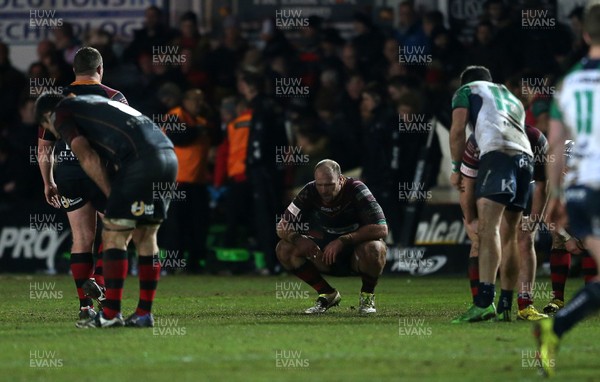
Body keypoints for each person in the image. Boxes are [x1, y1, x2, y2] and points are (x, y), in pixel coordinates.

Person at [35, 92, 177, 328]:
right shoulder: (100, 102)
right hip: (167, 156)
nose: (54, 132)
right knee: (145, 235)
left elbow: (87, 156)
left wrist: (112, 195)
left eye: (46, 125)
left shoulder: (61, 112)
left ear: (46, 117)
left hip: (140, 162)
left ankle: (110, 314)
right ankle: (143, 314)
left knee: (113, 234)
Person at [37, 46, 128, 320]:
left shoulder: (58, 99)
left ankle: (85, 307)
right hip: (102, 171)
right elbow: (126, 138)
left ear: (74, 71)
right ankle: (100, 281)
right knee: (114, 232)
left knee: (81, 238)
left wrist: (48, 181)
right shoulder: (115, 97)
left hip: (68, 173)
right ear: (100, 70)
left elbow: (43, 148)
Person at [534, 5, 600, 370]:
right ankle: (556, 326)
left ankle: (555, 328)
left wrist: (557, 196)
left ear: (586, 35)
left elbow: (555, 146)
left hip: (581, 191)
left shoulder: (570, 81)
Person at [449, 65, 533, 322]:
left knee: (489, 229)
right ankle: (506, 304)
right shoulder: (512, 97)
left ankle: (484, 302)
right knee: (510, 235)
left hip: (497, 155)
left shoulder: (465, 90)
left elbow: (458, 129)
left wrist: (455, 168)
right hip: (525, 158)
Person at [452, 125, 548, 323]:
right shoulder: (477, 140)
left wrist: (536, 218)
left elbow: (542, 183)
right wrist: (470, 221)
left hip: (521, 183)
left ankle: (524, 305)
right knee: (480, 240)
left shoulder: (535, 138)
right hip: (486, 186)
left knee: (524, 239)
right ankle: (482, 304)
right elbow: (466, 185)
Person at [276, 159, 387, 314]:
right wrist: (298, 239)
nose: (324, 190)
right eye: (320, 185)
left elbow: (381, 228)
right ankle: (327, 294)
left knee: (375, 247)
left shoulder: (357, 189)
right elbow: (282, 225)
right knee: (284, 248)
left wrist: (343, 240)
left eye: (329, 185)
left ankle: (367, 297)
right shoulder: (309, 190)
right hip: (323, 256)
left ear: (341, 179)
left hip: (356, 256)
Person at [159, 89, 215, 273]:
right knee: (176, 225)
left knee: (198, 224)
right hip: (177, 181)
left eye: (201, 101)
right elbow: (180, 138)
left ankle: (194, 263)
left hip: (197, 182)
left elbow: (217, 138)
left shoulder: (201, 120)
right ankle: (172, 264)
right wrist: (199, 129)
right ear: (186, 100)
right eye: (195, 100)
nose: (199, 104)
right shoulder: (176, 115)